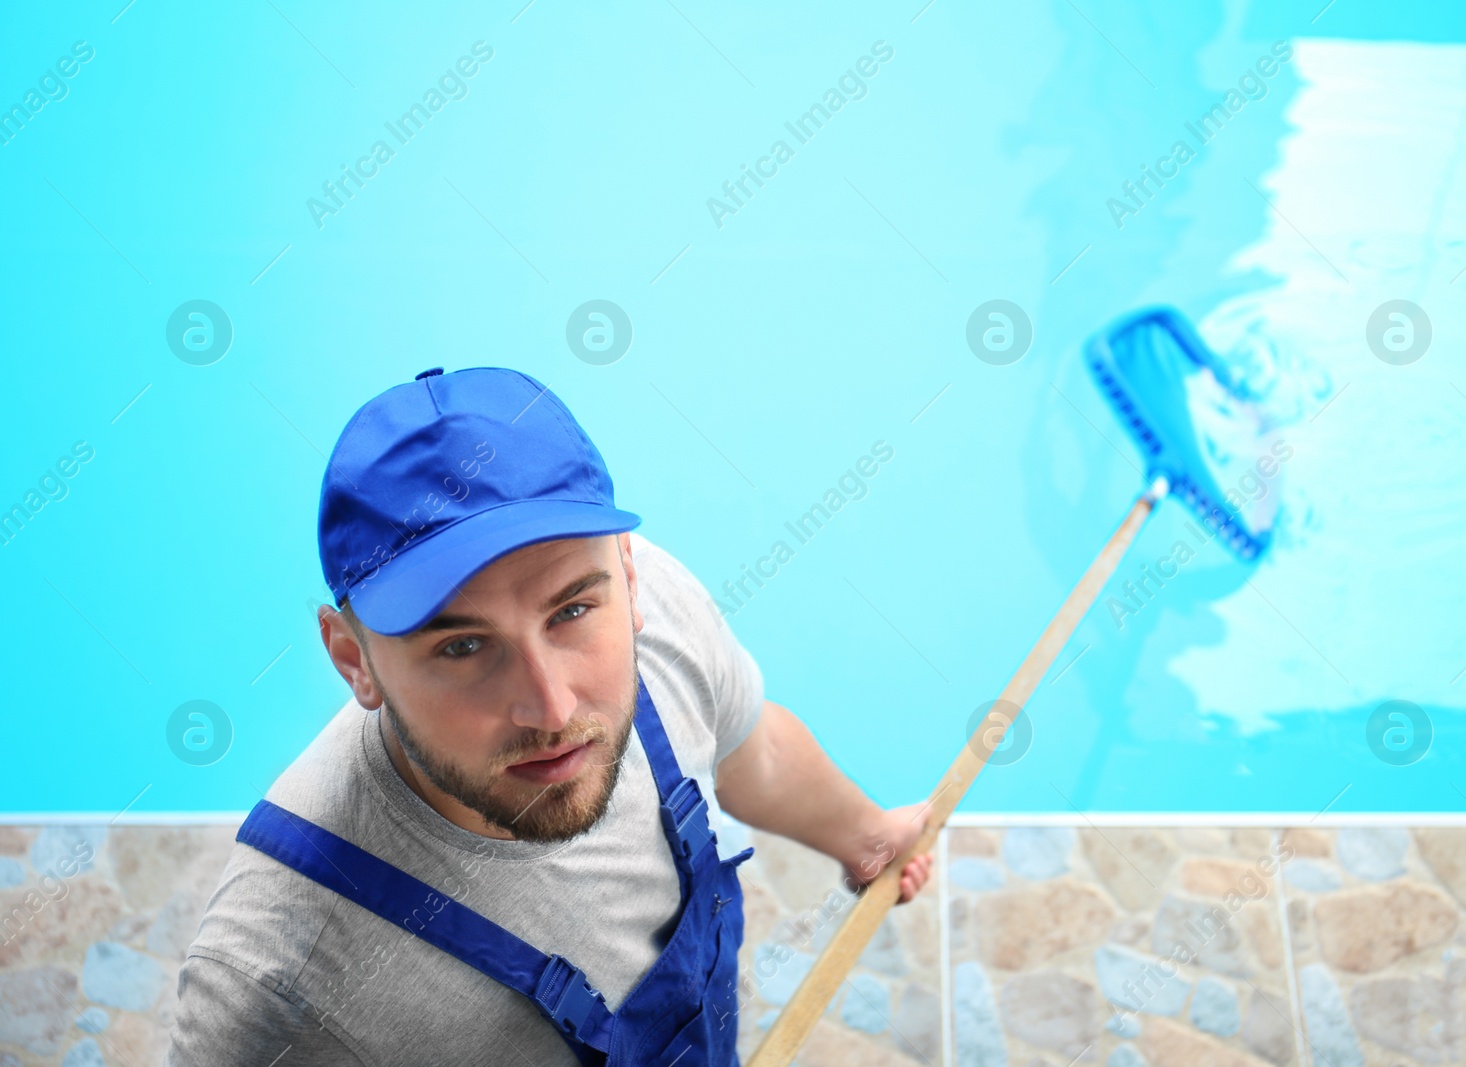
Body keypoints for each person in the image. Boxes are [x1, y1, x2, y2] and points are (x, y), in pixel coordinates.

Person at [166, 366, 934, 1066]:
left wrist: (866, 836)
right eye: (464, 645)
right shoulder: (274, 986)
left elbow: (749, 750)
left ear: (627, 575)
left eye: (570, 609)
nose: (553, 706)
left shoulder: (657, 613)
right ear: (353, 658)